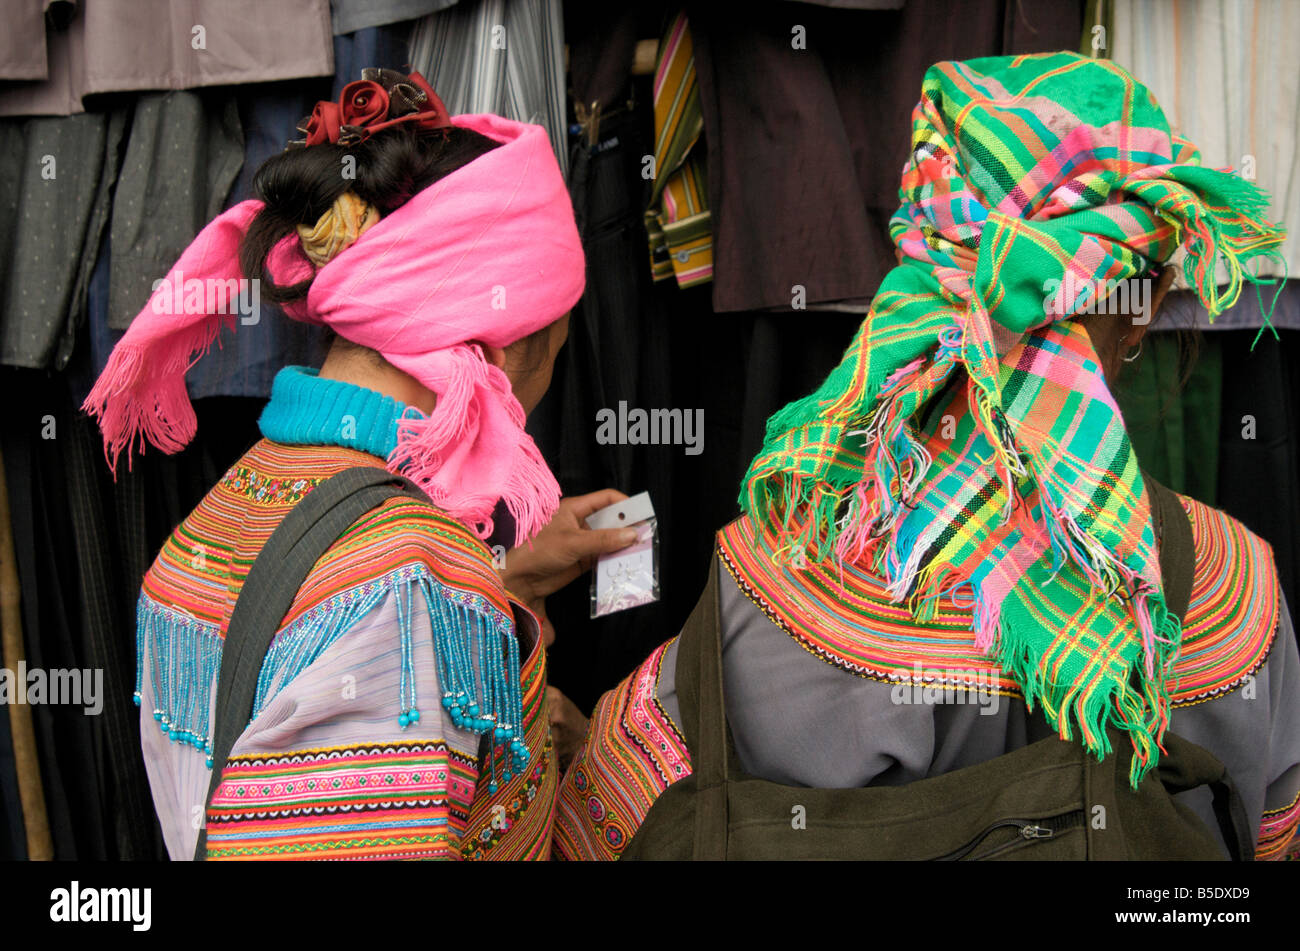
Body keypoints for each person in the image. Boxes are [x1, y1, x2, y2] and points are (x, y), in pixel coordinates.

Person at [553, 51, 1300, 861]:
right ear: (1145, 301)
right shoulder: (1237, 590)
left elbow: (616, 821)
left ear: (924, 255)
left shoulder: (800, 571)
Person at [83, 68, 631, 860]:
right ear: (508, 347)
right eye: (557, 349)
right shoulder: (406, 578)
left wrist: (499, 578)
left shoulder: (222, 515)